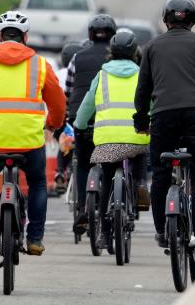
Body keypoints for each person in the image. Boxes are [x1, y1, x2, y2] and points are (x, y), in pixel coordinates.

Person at [0, 10, 66, 260]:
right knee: (38, 182)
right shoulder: (40, 65)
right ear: (25, 37)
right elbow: (58, 102)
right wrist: (53, 123)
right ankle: (36, 238)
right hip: (28, 141)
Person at [133, 0, 195, 255]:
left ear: (166, 20)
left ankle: (161, 229)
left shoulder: (152, 47)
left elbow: (143, 89)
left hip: (164, 116)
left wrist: (142, 120)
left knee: (160, 172)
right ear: (193, 20)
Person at [74, 30, 150, 249]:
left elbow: (86, 107)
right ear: (136, 53)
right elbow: (150, 106)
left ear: (111, 52)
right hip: (135, 135)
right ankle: (141, 183)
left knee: (107, 178)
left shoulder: (101, 75)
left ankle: (105, 234)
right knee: (140, 154)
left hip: (106, 139)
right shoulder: (141, 75)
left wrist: (79, 126)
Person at [65, 13, 118, 235]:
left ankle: (81, 210)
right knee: (111, 165)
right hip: (110, 121)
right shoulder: (118, 61)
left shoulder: (77, 57)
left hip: (83, 120)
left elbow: (68, 89)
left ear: (90, 35)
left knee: (84, 163)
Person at [54, 41, 86, 192]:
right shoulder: (82, 73)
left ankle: (60, 170)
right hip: (79, 118)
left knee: (64, 141)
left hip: (61, 119)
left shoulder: (58, 74)